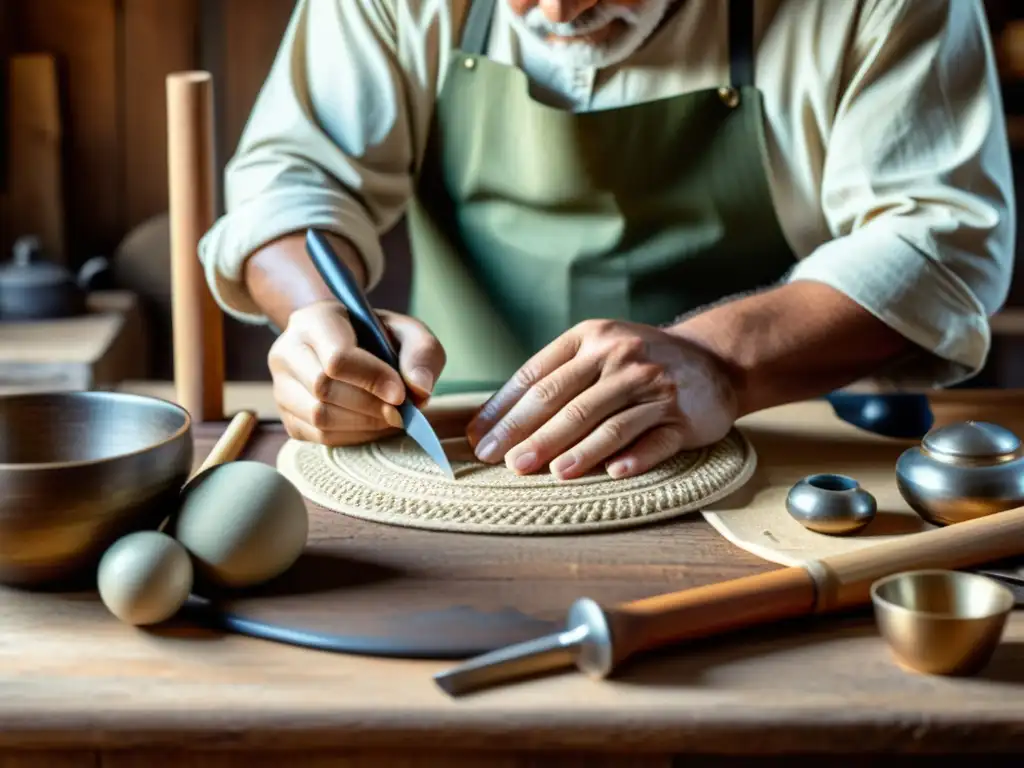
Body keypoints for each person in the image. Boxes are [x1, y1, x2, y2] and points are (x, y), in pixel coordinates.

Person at [198, 0, 1015, 481]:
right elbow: (289, 179)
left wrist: (720, 363)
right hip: (459, 436)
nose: (554, 11)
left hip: (779, 437)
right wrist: (323, 323)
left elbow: (940, 245)